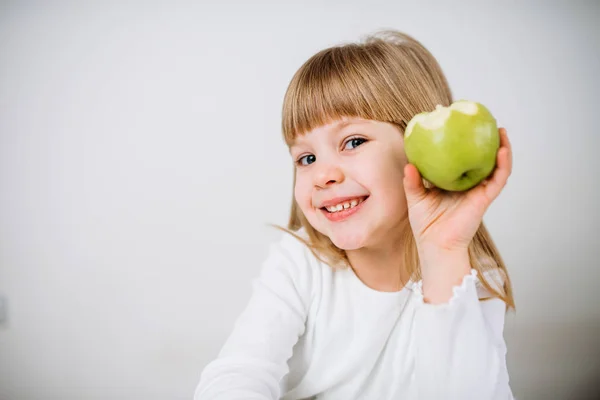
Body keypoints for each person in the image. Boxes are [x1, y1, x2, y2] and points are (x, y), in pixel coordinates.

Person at [194, 30, 516, 400]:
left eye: (353, 142)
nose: (322, 174)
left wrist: (443, 253)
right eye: (306, 158)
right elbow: (238, 374)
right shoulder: (299, 263)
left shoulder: (467, 277)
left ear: (420, 149)